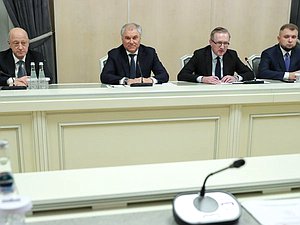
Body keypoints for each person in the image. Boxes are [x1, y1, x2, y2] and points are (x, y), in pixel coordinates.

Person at [177, 27, 253, 84]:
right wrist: (203, 79)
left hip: (226, 92)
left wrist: (236, 78)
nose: (222, 47)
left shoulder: (232, 55)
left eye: (226, 43)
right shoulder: (200, 54)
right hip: (205, 92)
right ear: (211, 42)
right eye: (219, 43)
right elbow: (182, 75)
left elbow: (250, 74)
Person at [100, 23, 169, 85]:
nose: (131, 42)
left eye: (135, 38)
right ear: (122, 39)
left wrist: (149, 80)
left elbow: (164, 75)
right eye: (127, 38)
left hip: (143, 93)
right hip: (121, 93)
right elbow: (105, 76)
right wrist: (126, 81)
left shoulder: (149, 53)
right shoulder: (114, 54)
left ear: (140, 38)